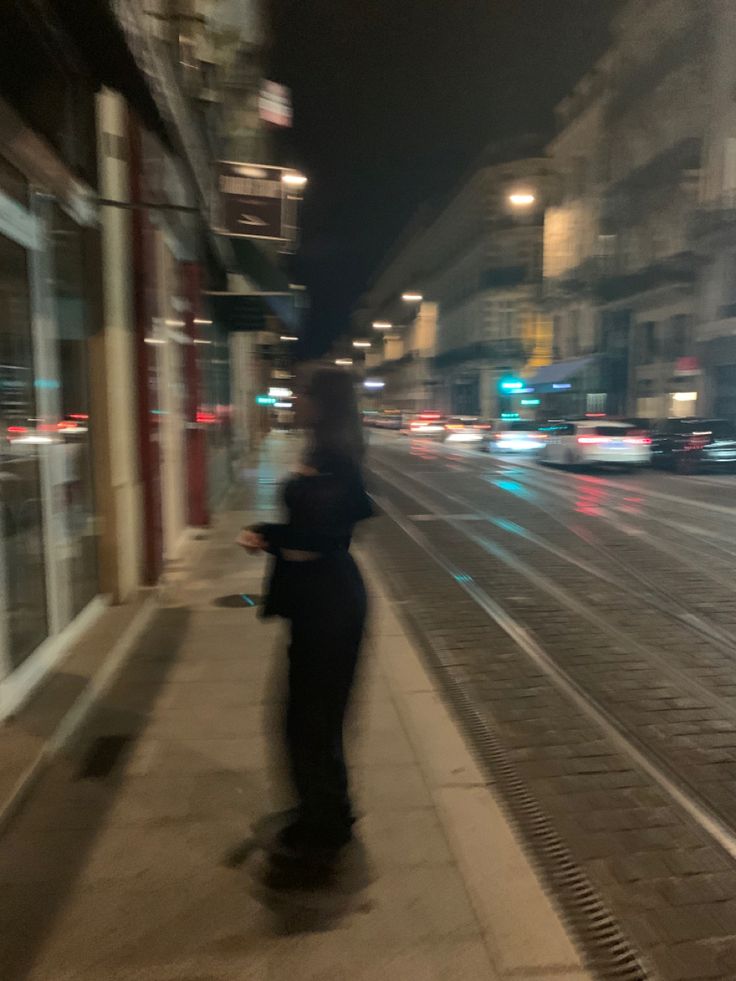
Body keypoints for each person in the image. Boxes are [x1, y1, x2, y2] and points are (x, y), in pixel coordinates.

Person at [237, 367, 373, 868]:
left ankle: (327, 827)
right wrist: (268, 530)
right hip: (318, 601)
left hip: (332, 604)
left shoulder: (337, 459)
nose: (295, 398)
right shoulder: (322, 453)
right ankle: (320, 813)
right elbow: (309, 528)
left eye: (303, 393)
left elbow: (326, 537)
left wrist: (269, 535)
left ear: (324, 403)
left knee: (310, 721)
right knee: (303, 719)